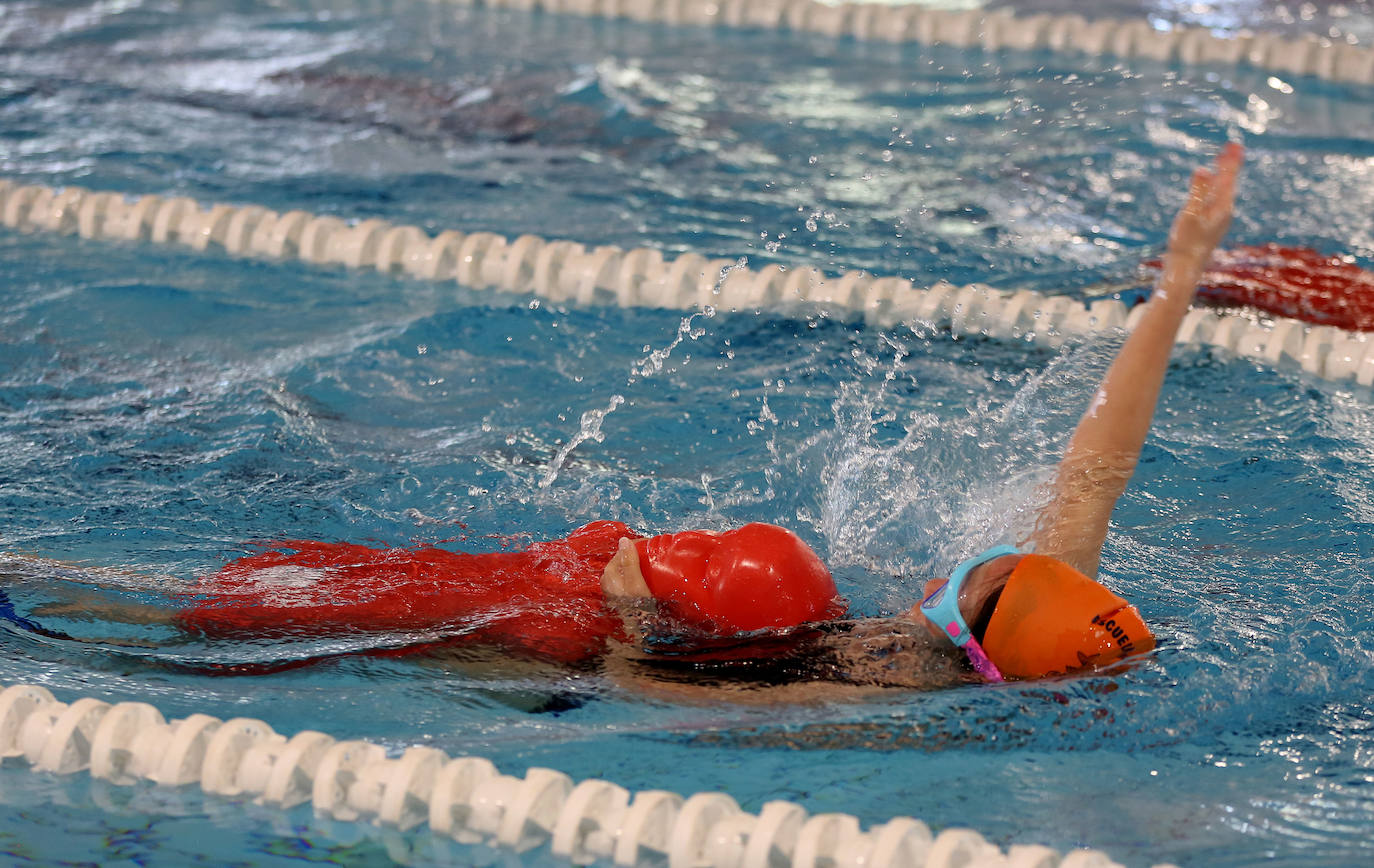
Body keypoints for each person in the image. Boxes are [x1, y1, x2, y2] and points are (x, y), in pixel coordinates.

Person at [1, 145, 1244, 694]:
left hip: (578, 628)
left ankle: (50, 587)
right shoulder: (1053, 592)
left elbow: (695, 708)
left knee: (252, 604)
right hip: (622, 598)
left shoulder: (868, 676)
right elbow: (1102, 455)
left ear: (983, 634)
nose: (974, 565)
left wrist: (638, 636)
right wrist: (1180, 278)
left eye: (986, 586)